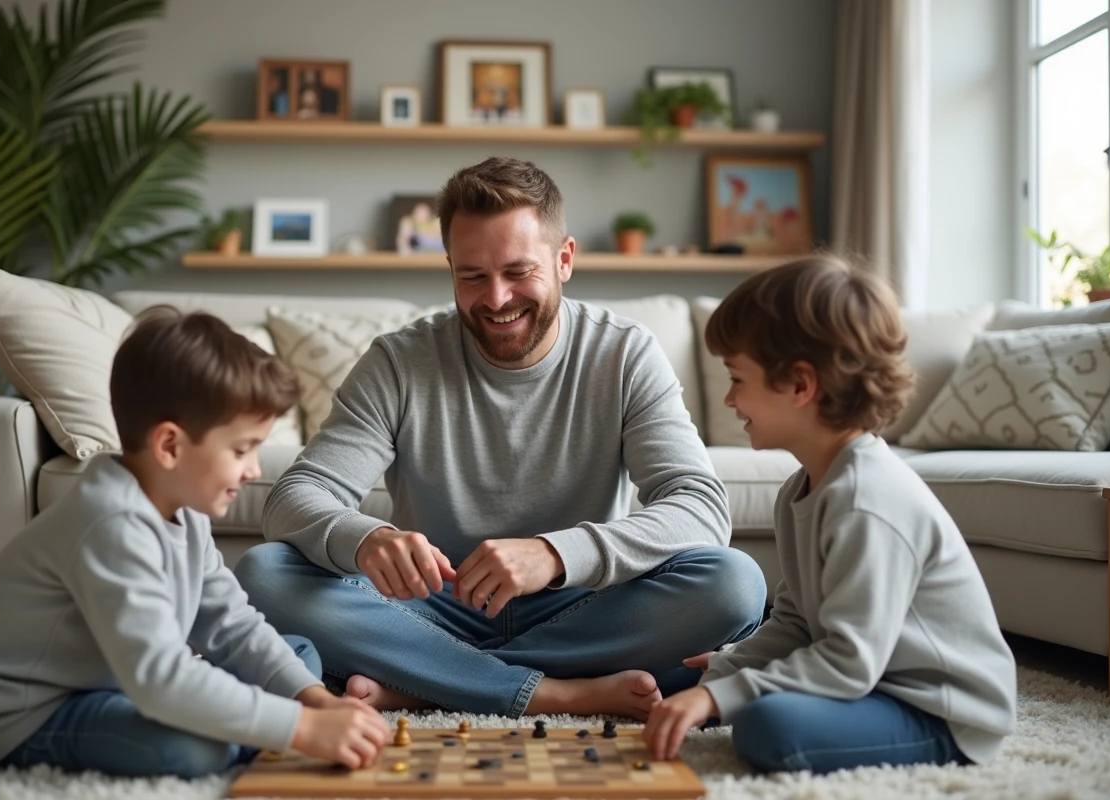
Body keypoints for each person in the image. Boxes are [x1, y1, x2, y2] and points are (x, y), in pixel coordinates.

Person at [235, 156, 767, 721]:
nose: (495, 298)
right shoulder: (398, 362)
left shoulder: (625, 354)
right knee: (263, 575)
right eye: (472, 276)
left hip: (584, 605)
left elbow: (700, 508)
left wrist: (555, 554)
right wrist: (366, 538)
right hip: (433, 607)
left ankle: (429, 682)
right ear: (449, 267)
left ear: (564, 260)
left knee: (734, 584)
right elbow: (296, 497)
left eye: (518, 271)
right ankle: (555, 691)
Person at [0, 308, 389, 778]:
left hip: (124, 681)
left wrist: (315, 702)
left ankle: (247, 720)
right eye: (241, 450)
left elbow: (231, 624)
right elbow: (160, 679)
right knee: (196, 751)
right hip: (34, 713)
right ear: (170, 446)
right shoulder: (110, 524)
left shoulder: (185, 509)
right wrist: (301, 728)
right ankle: (236, 730)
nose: (255, 470)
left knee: (298, 659)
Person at [643, 255, 1017, 773]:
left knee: (765, 725)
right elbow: (796, 621)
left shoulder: (868, 500)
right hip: (869, 681)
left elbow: (847, 660)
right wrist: (730, 668)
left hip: (937, 709)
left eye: (736, 379)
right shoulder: (800, 489)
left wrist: (724, 696)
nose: (728, 399)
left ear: (801, 385)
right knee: (682, 678)